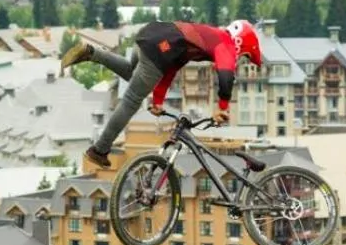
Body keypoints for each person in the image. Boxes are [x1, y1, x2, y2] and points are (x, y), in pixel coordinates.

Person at [59, 20, 263, 170]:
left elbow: (170, 68)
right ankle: (100, 149)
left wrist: (157, 101)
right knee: (132, 100)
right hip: (159, 50)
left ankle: (92, 53)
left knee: (133, 74)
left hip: (148, 36)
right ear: (241, 44)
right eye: (244, 55)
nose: (240, 60)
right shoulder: (225, 44)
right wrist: (223, 108)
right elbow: (226, 77)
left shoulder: (205, 37)